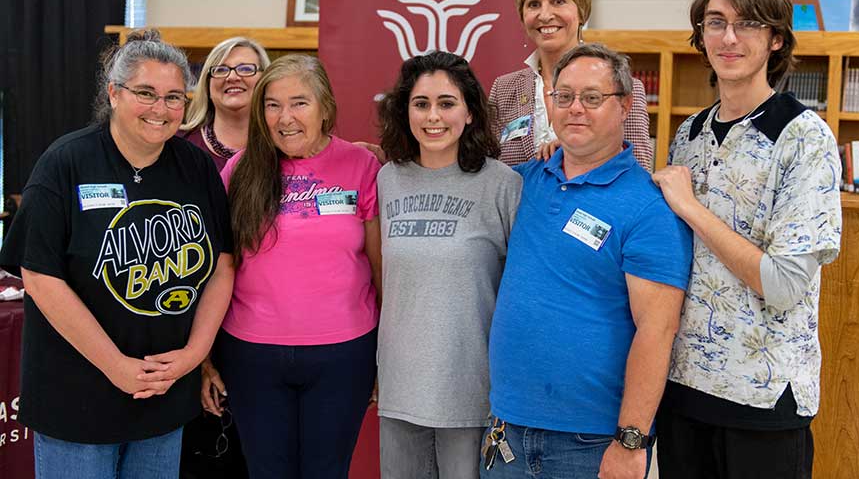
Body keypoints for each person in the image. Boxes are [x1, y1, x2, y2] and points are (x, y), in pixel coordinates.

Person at [0, 30, 235, 479]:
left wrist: (193, 354)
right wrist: (115, 366)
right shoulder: (66, 162)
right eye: (145, 93)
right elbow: (40, 277)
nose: (160, 109)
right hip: (77, 395)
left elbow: (222, 265)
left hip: (162, 394)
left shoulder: (196, 167)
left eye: (173, 97)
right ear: (113, 92)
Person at [652, 0, 842, 479]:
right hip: (684, 388)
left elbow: (782, 284)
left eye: (747, 24)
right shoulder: (688, 134)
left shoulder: (805, 138)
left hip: (762, 397)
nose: (728, 38)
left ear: (776, 39)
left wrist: (692, 208)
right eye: (716, 23)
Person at [484, 43, 692, 479]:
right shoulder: (523, 182)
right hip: (506, 429)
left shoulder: (649, 206)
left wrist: (631, 440)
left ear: (625, 106)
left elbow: (658, 330)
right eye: (564, 96)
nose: (576, 109)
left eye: (593, 98)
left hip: (590, 444)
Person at [200, 54, 381, 479]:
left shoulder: (362, 166)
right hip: (251, 355)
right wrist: (204, 356)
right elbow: (215, 269)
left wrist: (386, 358)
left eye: (299, 103)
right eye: (272, 105)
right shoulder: (240, 169)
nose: (285, 118)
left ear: (324, 107)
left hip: (344, 354)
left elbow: (380, 271)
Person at [376, 51, 522, 479]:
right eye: (420, 104)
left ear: (470, 113)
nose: (433, 116)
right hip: (400, 388)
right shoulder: (388, 179)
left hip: (472, 391)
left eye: (447, 103)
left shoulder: (503, 185)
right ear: (405, 112)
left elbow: (521, 291)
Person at [490, 0, 653, 170]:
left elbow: (637, 171)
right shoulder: (503, 90)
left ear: (581, 10)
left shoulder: (622, 87)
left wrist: (578, 151)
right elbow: (489, 170)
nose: (545, 14)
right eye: (534, 4)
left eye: (558, 1)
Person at [181, 37, 271, 170]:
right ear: (207, 85)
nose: (232, 77)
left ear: (265, 80)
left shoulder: (283, 145)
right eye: (221, 70)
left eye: (246, 69)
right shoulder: (178, 143)